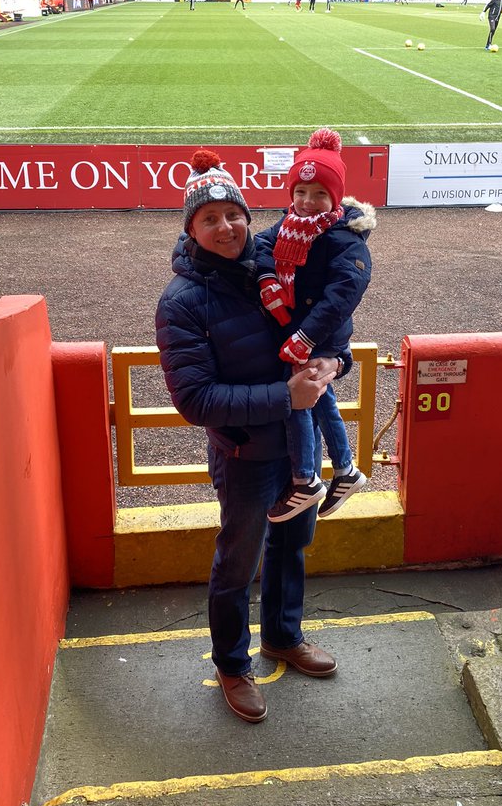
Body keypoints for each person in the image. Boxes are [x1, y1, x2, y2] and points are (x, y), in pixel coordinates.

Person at [156, 152, 342, 724]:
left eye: (232, 214)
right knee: (237, 565)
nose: (226, 227)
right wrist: (289, 398)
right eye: (209, 218)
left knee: (292, 548)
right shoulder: (181, 303)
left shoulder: (276, 263)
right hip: (245, 456)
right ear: (191, 229)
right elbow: (197, 400)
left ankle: (284, 637)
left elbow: (327, 331)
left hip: (298, 450)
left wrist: (334, 364)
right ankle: (232, 665)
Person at [254, 128, 372, 522]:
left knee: (301, 398)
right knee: (320, 397)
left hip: (317, 334)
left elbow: (344, 293)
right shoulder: (288, 225)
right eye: (300, 192)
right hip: (308, 332)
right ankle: (345, 468)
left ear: (335, 198)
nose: (307, 202)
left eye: (319, 193)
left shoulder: (344, 238)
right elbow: (262, 245)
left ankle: (306, 478)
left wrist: (306, 337)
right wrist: (267, 278)